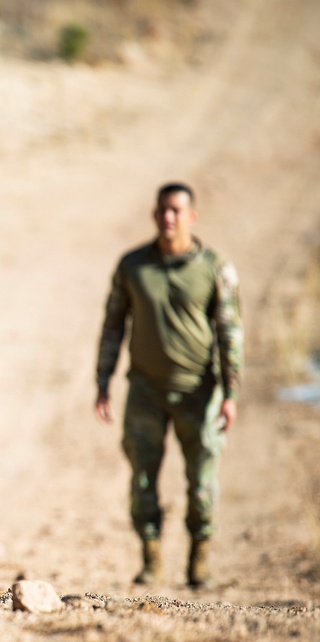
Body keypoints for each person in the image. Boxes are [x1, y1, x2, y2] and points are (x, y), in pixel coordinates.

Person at [94, 182, 243, 589]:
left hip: (199, 392)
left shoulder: (214, 268)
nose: (168, 217)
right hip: (145, 392)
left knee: (202, 482)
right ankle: (151, 560)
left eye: (177, 210)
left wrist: (230, 392)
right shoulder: (133, 267)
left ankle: (199, 559)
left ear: (192, 216)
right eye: (162, 209)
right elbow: (113, 326)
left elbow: (230, 331)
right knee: (143, 477)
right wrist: (103, 382)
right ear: (154, 214)